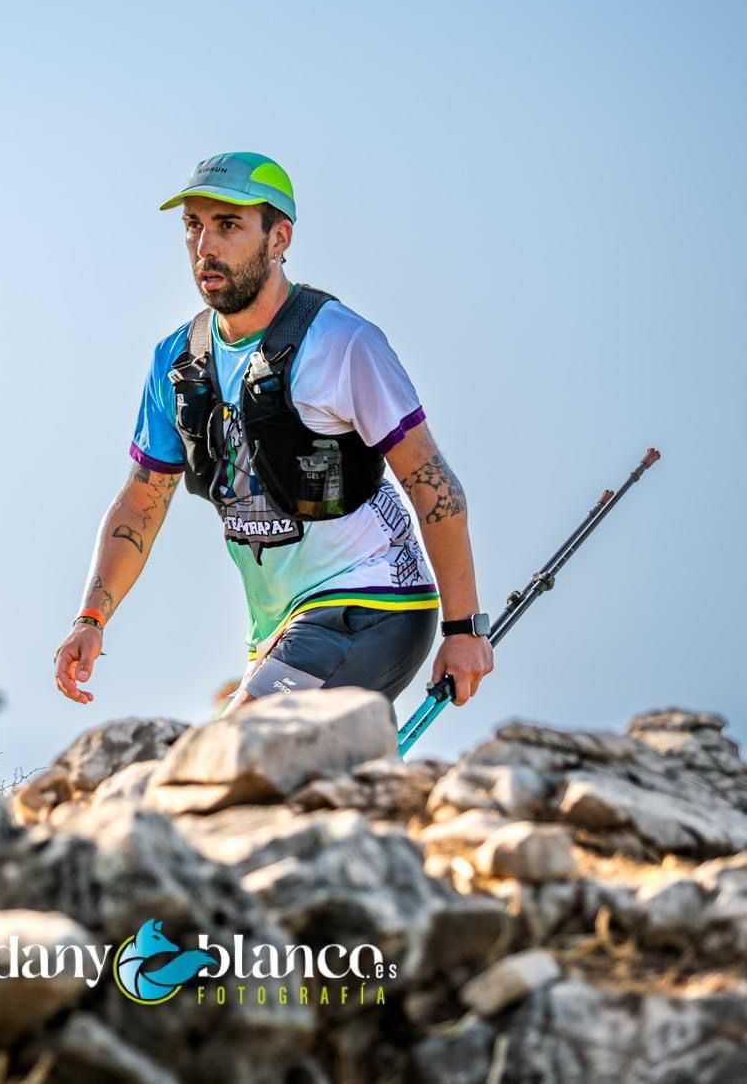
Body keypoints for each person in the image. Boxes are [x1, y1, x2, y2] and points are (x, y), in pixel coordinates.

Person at [52, 152, 494, 722]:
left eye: (228, 225)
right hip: (279, 627)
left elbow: (433, 483)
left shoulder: (343, 343)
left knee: (234, 740)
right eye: (193, 225)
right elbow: (141, 502)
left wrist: (463, 629)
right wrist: (91, 618)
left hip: (372, 600)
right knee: (250, 765)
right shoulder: (176, 360)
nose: (204, 246)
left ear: (279, 237)